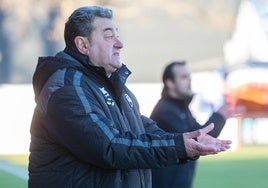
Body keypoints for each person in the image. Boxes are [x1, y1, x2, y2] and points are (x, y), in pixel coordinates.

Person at [28, 6, 231, 188]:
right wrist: (180, 147)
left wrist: (186, 141)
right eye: (109, 36)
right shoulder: (67, 88)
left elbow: (140, 129)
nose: (120, 44)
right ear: (83, 45)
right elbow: (110, 146)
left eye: (118, 35)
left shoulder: (110, 84)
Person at [150, 61, 240, 188]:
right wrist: (219, 116)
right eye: (183, 77)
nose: (189, 80)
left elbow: (200, 134)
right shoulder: (165, 111)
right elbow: (196, 139)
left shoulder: (182, 109)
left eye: (189, 76)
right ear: (170, 83)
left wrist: (221, 116)